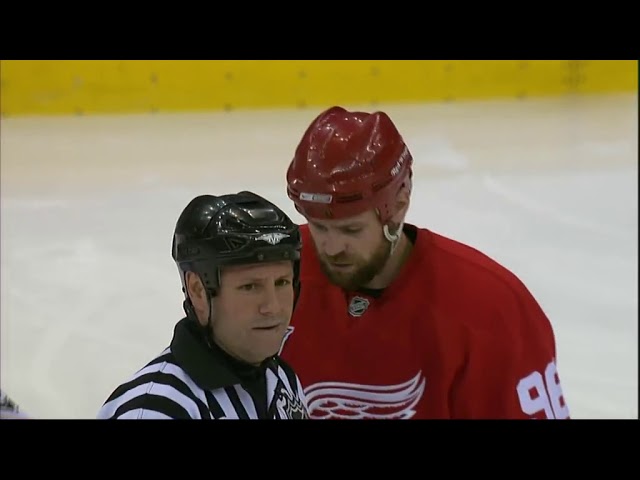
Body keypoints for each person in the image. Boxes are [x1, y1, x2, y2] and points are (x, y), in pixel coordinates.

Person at [279, 106, 571, 420]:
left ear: (400, 203)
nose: (331, 247)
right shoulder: (274, 273)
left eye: (351, 229)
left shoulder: (490, 309)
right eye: (318, 226)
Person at [97, 191, 309, 419]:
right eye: (250, 287)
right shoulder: (155, 410)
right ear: (198, 291)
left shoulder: (280, 379)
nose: (273, 307)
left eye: (281, 282)